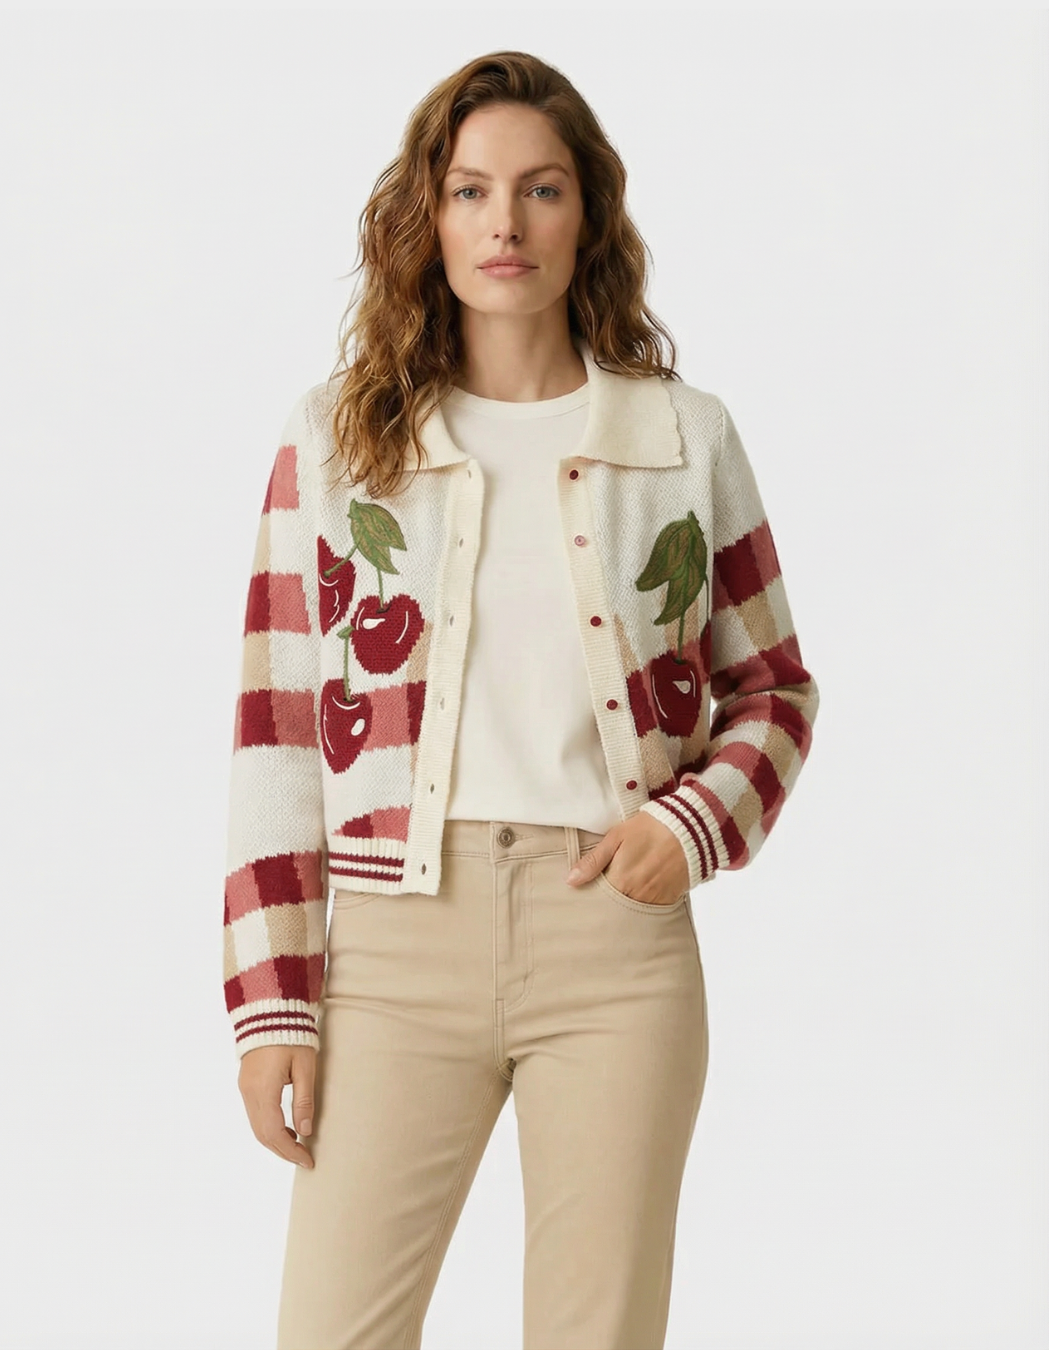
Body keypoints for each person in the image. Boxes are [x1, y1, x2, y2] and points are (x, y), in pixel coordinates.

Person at [222, 49, 820, 1350]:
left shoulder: (681, 436)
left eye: (542, 190)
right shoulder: (337, 441)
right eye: (472, 190)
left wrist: (689, 825)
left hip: (614, 944)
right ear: (428, 217)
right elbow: (278, 735)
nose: (506, 223)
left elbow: (772, 686)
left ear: (587, 214)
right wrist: (272, 1002)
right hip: (391, 950)